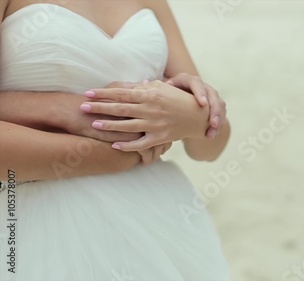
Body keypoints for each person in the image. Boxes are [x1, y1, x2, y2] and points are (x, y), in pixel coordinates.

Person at [0, 0, 232, 279]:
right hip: (34, 220)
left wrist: (194, 117)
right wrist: (62, 112)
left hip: (158, 216)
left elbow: (209, 147)